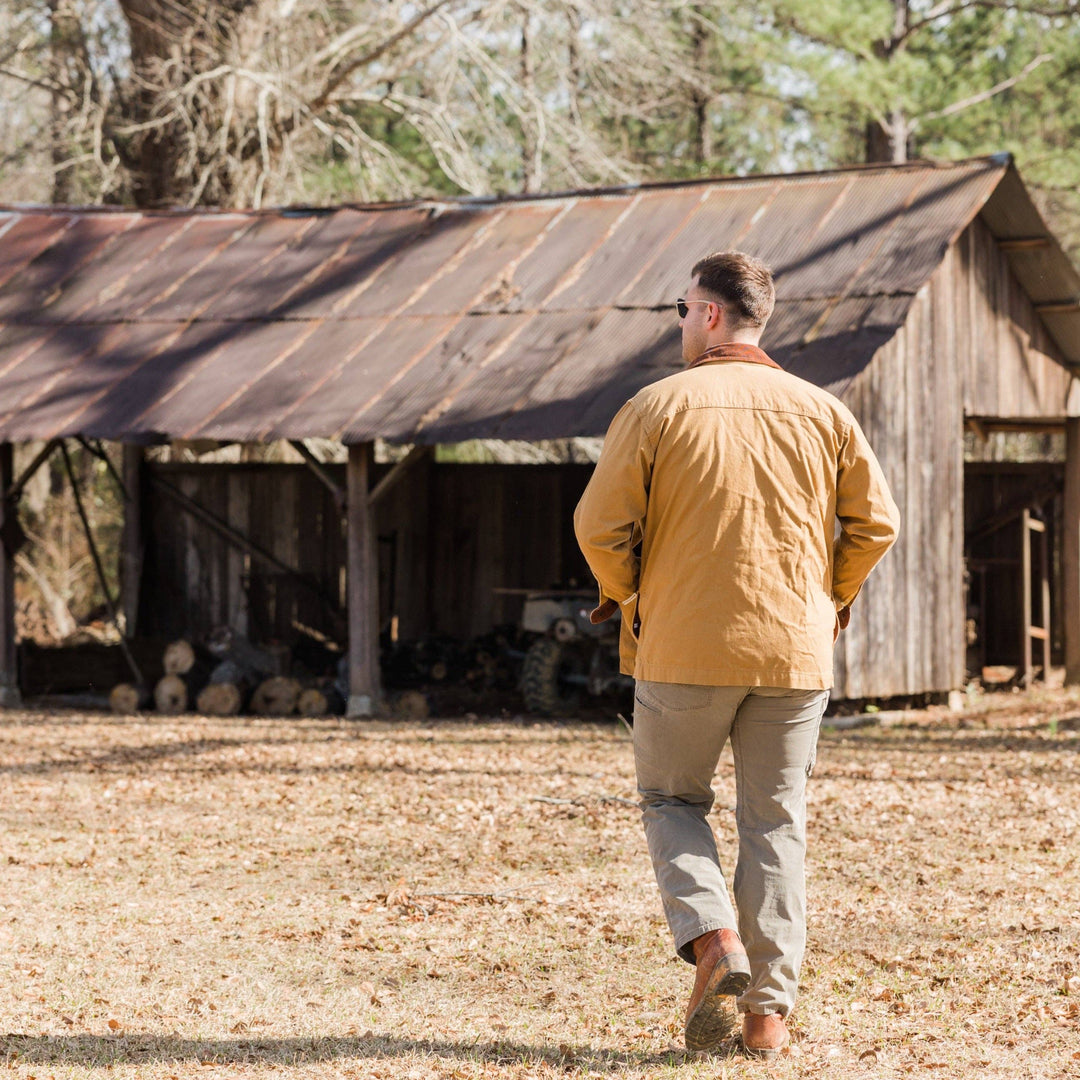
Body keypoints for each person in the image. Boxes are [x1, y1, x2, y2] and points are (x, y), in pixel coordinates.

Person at [574, 251, 900, 1058]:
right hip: (793, 654)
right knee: (775, 823)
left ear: (710, 314)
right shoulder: (823, 412)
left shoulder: (656, 407)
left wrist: (631, 594)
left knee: (672, 801)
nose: (681, 321)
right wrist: (831, 599)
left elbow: (597, 527)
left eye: (683, 308)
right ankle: (767, 1019)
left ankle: (713, 937)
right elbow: (876, 525)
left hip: (681, 645)